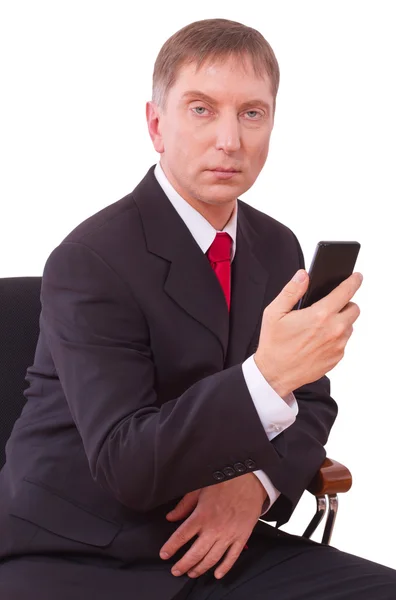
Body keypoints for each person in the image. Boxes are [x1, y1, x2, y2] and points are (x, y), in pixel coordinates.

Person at [0, 17, 395, 600]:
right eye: (202, 109)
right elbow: (125, 464)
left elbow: (309, 399)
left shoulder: (275, 244)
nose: (230, 140)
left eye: (252, 113)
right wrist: (266, 379)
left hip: (223, 535)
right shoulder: (89, 259)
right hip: (82, 552)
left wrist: (255, 485)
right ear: (157, 125)